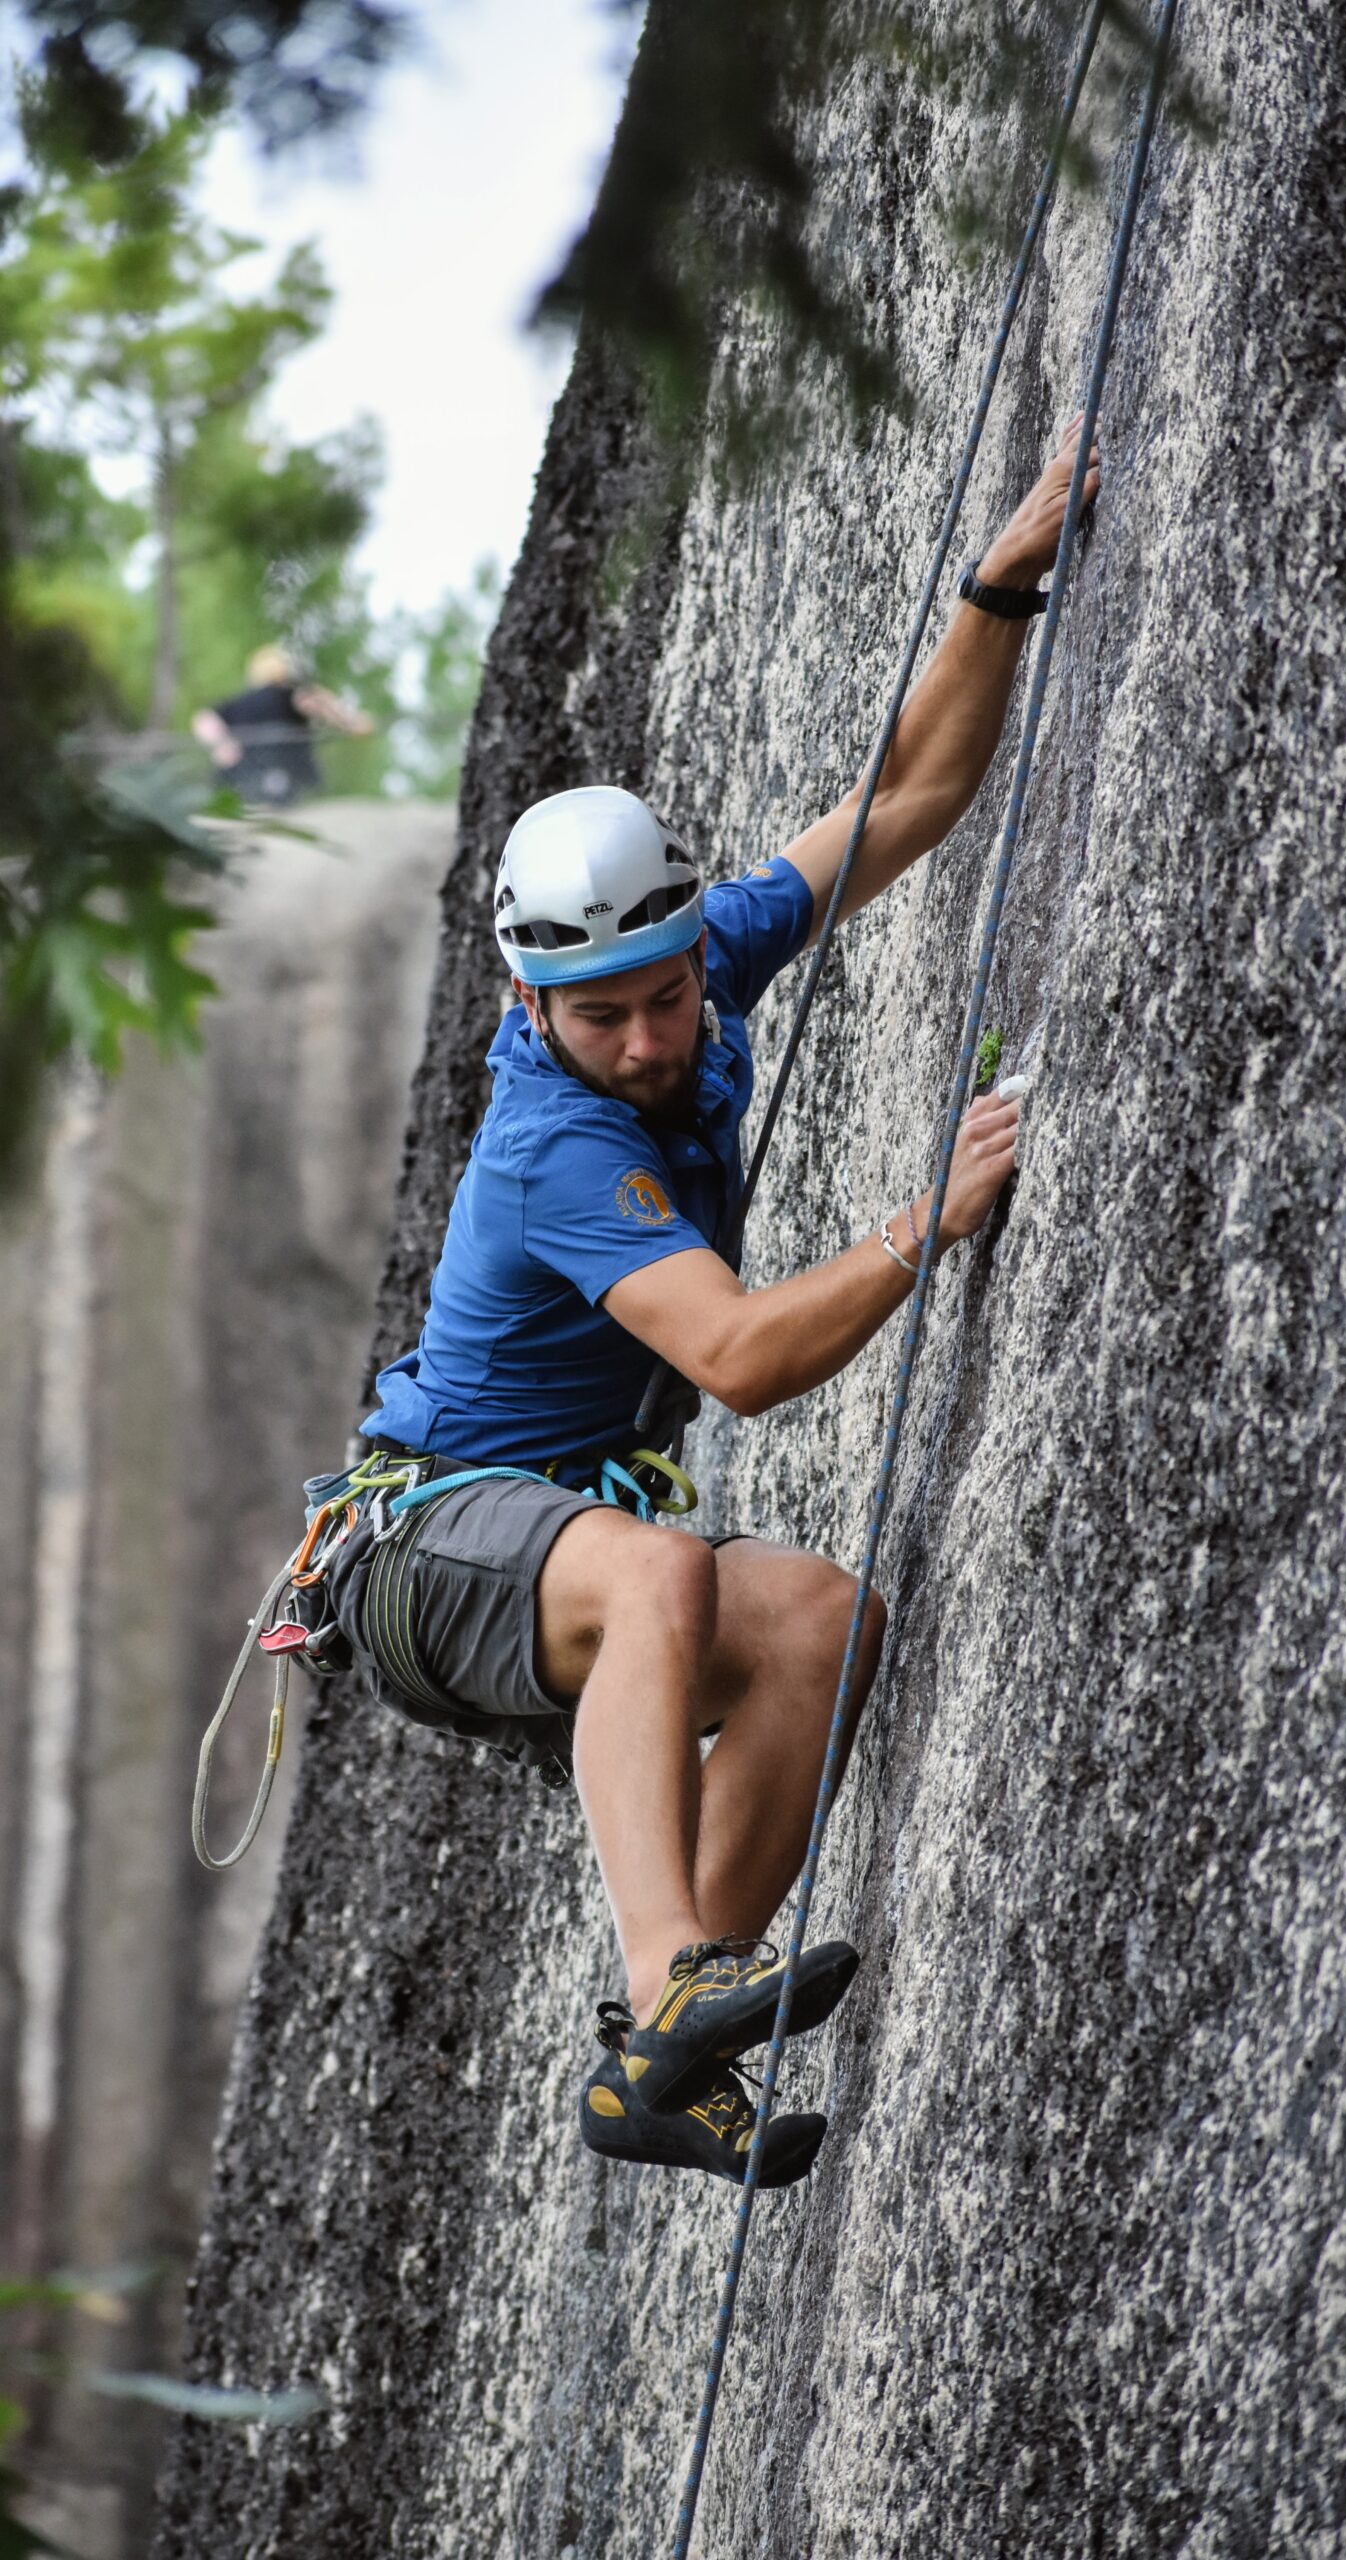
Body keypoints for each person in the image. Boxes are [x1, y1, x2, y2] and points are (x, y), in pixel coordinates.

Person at [326, 418, 1100, 2187]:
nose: (649, 1039)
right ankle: (672, 1970)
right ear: (531, 1008)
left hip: (544, 1544)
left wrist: (996, 580)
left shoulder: (694, 960)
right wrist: (925, 1227)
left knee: (823, 1624)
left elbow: (902, 798)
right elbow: (742, 1361)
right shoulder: (552, 1143)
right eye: (601, 1016)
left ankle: (654, 2061)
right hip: (415, 1553)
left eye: (667, 995)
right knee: (661, 1567)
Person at [191, 644, 374, 806]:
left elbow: (204, 719)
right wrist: (351, 722)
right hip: (281, 777)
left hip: (239, 781)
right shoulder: (288, 694)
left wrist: (223, 744)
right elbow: (314, 701)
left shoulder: (239, 703)